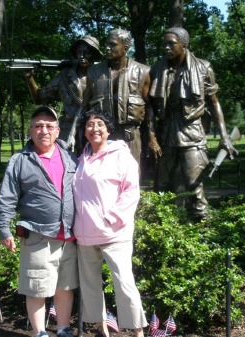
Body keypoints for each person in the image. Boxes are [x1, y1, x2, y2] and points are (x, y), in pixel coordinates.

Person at [0, 106, 78, 337]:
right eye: (38, 126)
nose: (44, 131)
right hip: (38, 236)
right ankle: (40, 332)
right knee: (36, 287)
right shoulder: (20, 161)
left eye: (49, 126)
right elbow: (7, 197)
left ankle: (62, 328)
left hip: (69, 237)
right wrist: (4, 229)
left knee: (65, 286)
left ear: (58, 131)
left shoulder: (71, 157)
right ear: (30, 131)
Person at [72, 108, 147, 337]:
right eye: (89, 125)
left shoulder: (121, 155)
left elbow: (131, 191)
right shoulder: (81, 158)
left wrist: (111, 218)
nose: (94, 129)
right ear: (84, 131)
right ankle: (101, 329)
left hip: (114, 234)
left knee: (124, 284)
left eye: (100, 125)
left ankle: (138, 332)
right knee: (90, 286)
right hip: (85, 235)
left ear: (108, 130)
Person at [149, 27, 235, 221]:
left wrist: (224, 136)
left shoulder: (203, 68)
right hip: (166, 134)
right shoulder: (157, 69)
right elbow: (151, 108)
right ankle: (161, 229)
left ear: (184, 45)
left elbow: (214, 104)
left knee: (194, 185)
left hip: (192, 133)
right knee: (161, 184)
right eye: (164, 44)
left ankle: (200, 229)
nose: (166, 47)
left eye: (171, 43)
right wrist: (152, 137)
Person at [83, 28, 161, 167]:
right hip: (103, 136)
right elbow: (84, 105)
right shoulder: (94, 72)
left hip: (130, 136)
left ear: (125, 47)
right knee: (102, 177)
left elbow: (149, 108)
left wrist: (152, 138)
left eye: (112, 45)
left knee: (130, 177)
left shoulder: (142, 71)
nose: (107, 48)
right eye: (106, 44)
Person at [24, 35, 103, 150]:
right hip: (67, 131)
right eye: (79, 52)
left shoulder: (102, 77)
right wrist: (29, 79)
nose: (81, 56)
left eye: (86, 53)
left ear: (94, 55)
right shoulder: (65, 77)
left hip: (94, 131)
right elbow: (38, 98)